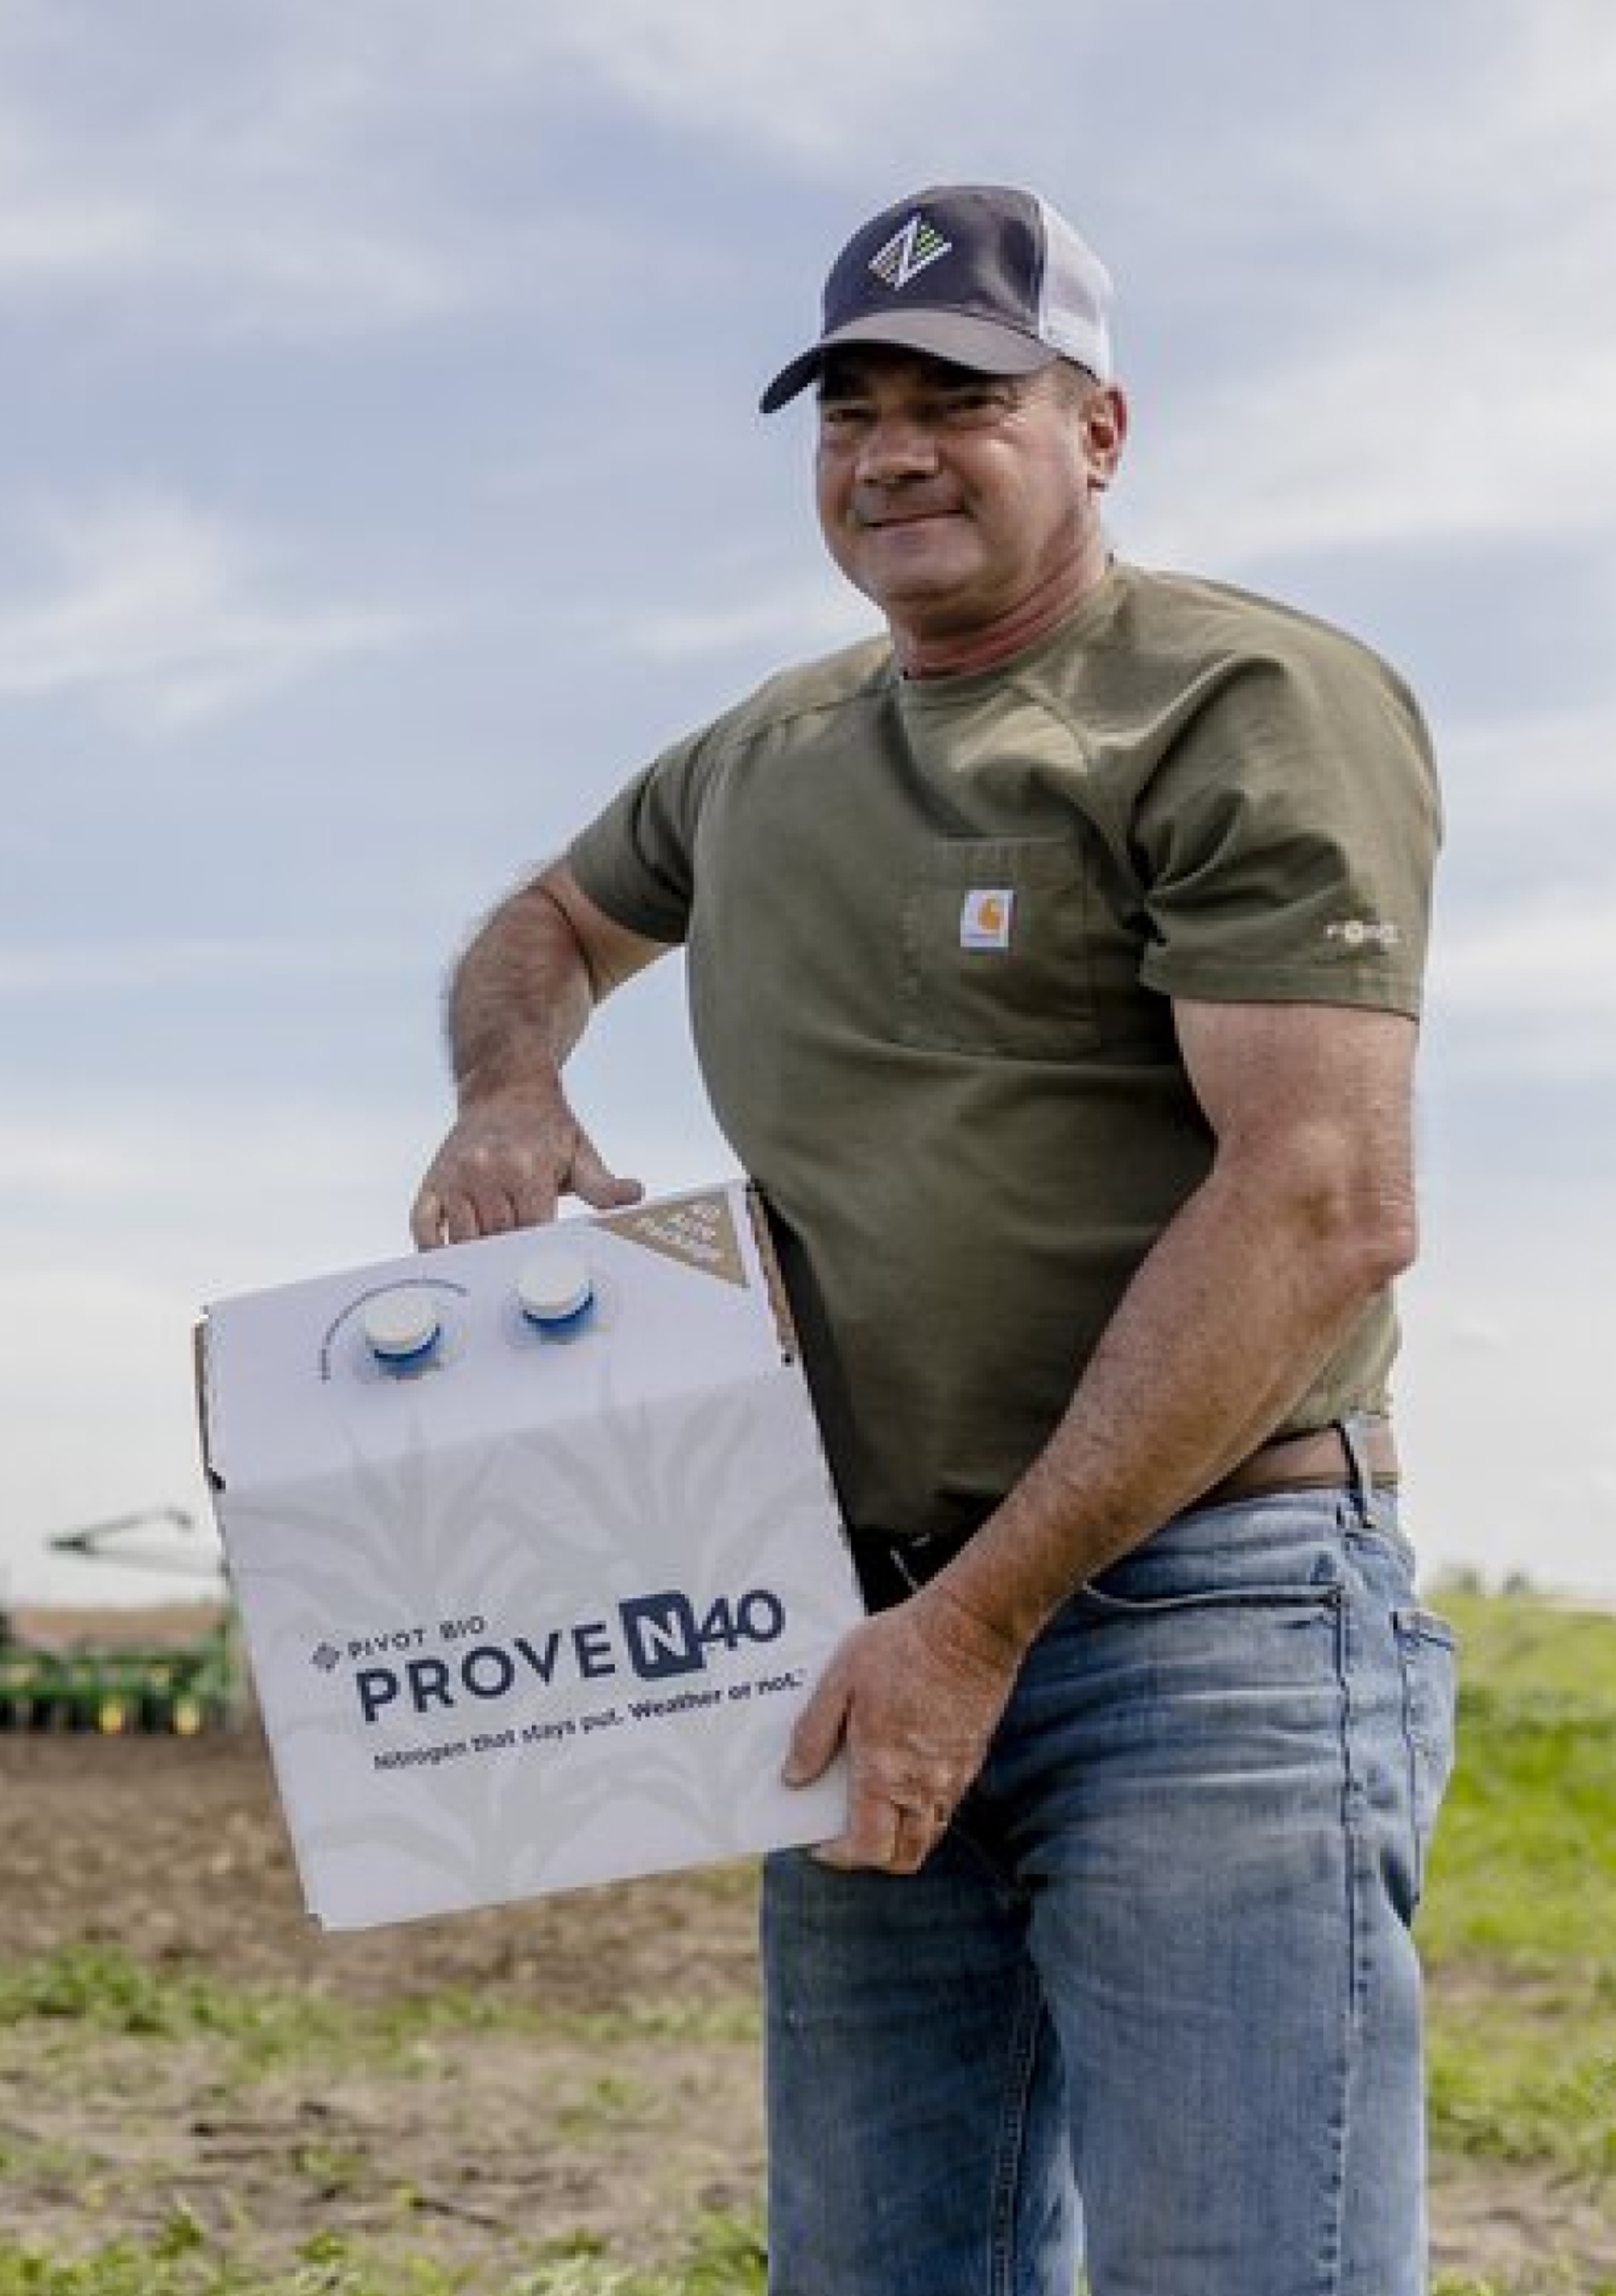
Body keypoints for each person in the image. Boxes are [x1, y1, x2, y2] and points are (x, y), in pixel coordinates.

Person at [409, 182, 1456, 2295]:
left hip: (1207, 1632)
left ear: (1096, 424)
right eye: (849, 409)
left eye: (960, 399)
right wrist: (510, 1090)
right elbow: (545, 920)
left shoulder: (1240, 698)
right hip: (862, 1629)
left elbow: (1326, 1205)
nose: (892, 449)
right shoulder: (766, 753)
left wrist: (974, 1631)